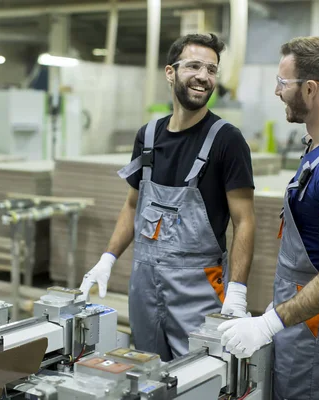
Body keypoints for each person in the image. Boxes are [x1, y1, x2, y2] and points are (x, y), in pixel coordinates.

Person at [217, 36, 319, 399]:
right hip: (299, 326)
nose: (277, 92)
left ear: (310, 90)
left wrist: (268, 323)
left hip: (316, 342)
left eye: (282, 83)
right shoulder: (317, 149)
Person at [78, 33, 256, 361]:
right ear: (170, 72)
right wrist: (108, 258)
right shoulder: (147, 136)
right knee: (146, 370)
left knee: (200, 375)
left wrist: (238, 292)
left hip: (199, 286)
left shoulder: (227, 141)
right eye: (194, 66)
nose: (204, 76)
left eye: (212, 69)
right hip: (144, 286)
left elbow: (244, 221)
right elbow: (133, 204)